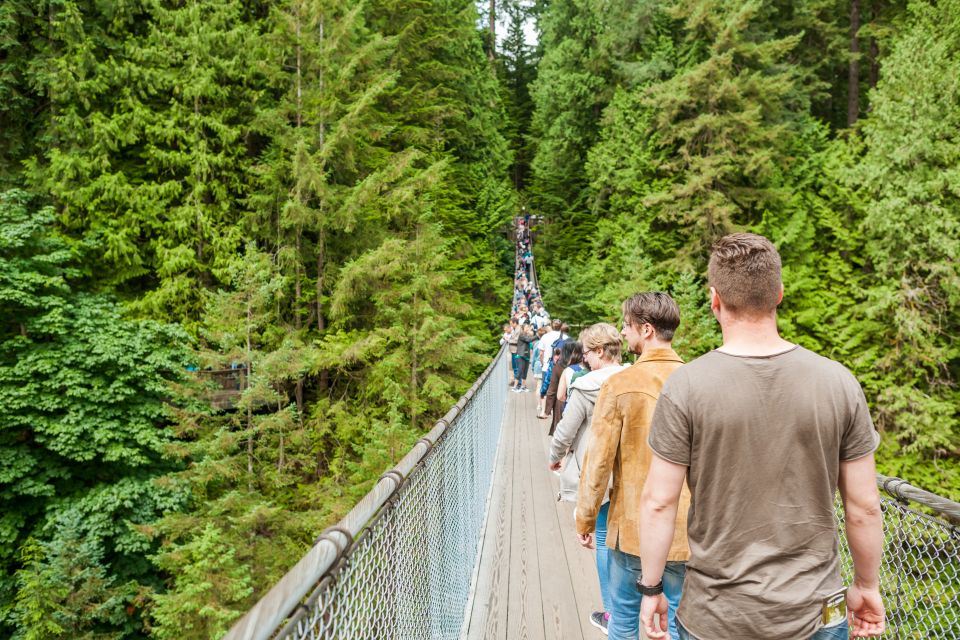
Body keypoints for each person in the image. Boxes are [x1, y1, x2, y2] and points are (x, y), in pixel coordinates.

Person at [638, 233, 885, 640]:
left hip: (715, 617)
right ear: (779, 295)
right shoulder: (838, 382)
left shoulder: (686, 386)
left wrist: (651, 589)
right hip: (816, 613)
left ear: (714, 299)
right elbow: (863, 507)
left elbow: (659, 503)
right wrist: (867, 586)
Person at [575, 292, 688, 640]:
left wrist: (586, 517)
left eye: (627, 326)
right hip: (687, 530)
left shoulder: (619, 385)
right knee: (679, 622)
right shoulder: (695, 381)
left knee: (624, 619)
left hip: (634, 531)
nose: (624, 334)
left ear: (647, 329)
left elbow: (598, 464)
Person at [548, 323, 629, 634]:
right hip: (632, 470)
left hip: (600, 474)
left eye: (587, 354)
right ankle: (629, 605)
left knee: (602, 539)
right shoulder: (633, 377)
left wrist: (556, 457)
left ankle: (613, 614)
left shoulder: (587, 385)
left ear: (599, 352)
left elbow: (565, 432)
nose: (585, 360)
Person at [547, 340, 583, 436]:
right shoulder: (582, 367)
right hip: (577, 403)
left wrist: (547, 410)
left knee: (560, 432)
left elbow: (552, 389)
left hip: (561, 403)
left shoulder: (558, 367)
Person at [513, 324, 536, 392]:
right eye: (526, 327)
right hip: (521, 355)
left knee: (525, 371)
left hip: (526, 355)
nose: (528, 328)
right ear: (523, 328)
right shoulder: (521, 335)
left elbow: (530, 339)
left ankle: (523, 386)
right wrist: (537, 336)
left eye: (528, 327)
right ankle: (514, 387)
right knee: (520, 371)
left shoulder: (527, 335)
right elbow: (528, 340)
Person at [539, 347, 560, 419]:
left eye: (558, 355)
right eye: (556, 355)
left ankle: (544, 413)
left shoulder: (552, 366)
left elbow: (547, 381)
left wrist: (542, 391)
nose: (557, 357)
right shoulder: (553, 365)